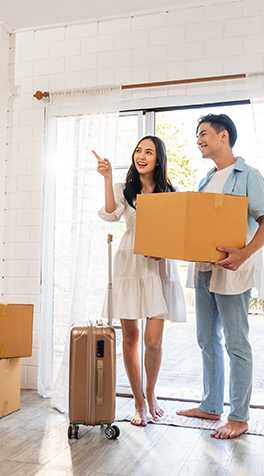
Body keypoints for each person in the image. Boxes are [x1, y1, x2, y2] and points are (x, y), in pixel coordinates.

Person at [177, 113, 264, 439]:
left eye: (203, 133)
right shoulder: (207, 179)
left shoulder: (249, 175)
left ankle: (240, 417)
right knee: (206, 338)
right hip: (205, 270)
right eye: (197, 136)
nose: (199, 140)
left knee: (237, 343)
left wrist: (243, 254)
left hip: (233, 271)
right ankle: (210, 405)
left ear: (223, 136)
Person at [93, 136, 186, 427]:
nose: (142, 156)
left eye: (149, 152)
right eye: (138, 151)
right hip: (130, 264)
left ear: (159, 159)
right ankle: (138, 402)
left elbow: (178, 231)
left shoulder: (171, 192)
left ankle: (151, 392)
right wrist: (107, 178)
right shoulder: (125, 190)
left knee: (153, 340)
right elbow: (110, 215)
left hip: (159, 264)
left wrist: (165, 250)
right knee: (131, 337)